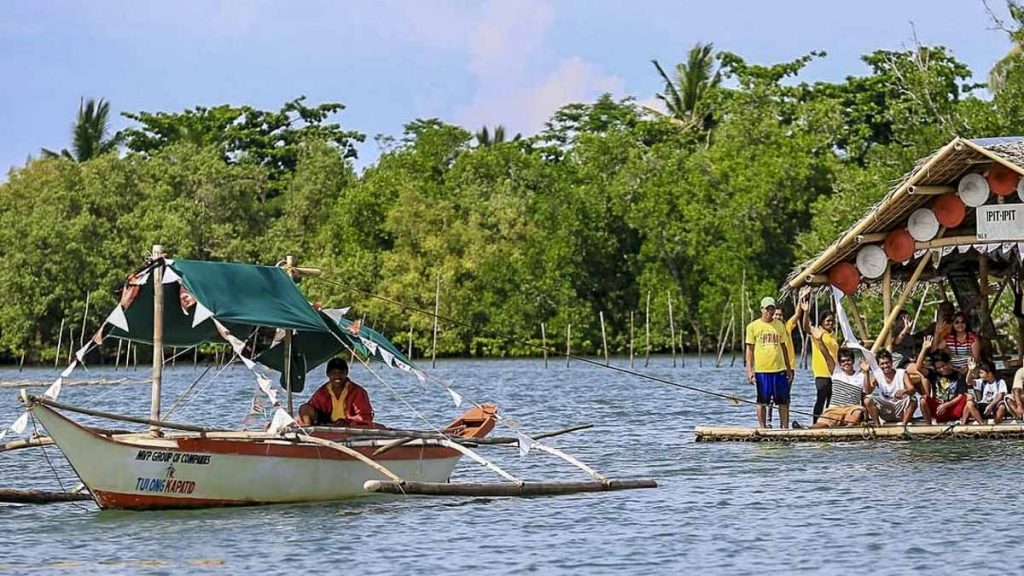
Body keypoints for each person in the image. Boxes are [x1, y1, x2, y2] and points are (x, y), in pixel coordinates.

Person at [745, 296, 794, 429]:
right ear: (762, 309)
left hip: (779, 369)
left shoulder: (779, 325)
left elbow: (784, 347)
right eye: (767, 309)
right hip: (762, 370)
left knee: (783, 401)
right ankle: (763, 427)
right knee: (762, 400)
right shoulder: (752, 327)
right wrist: (749, 369)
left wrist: (788, 368)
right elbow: (749, 349)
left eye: (772, 308)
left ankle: (784, 427)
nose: (770, 312)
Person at [807, 331, 866, 428]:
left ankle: (847, 429)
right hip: (834, 409)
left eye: (848, 360)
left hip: (851, 409)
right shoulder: (836, 372)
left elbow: (868, 390)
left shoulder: (861, 375)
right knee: (821, 423)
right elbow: (827, 356)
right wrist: (820, 341)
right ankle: (808, 429)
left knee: (857, 413)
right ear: (840, 363)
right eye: (843, 361)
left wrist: (867, 372)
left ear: (853, 361)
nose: (846, 363)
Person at [296, 358, 375, 427]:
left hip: (349, 426)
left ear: (346, 373)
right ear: (328, 374)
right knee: (304, 408)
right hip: (327, 424)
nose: (337, 376)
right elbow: (311, 408)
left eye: (341, 373)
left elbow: (365, 416)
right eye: (333, 373)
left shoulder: (358, 391)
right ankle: (308, 437)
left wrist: (347, 421)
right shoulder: (322, 392)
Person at [911, 349, 977, 425]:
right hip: (938, 410)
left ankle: (963, 424)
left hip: (954, 409)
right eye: (938, 368)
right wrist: (924, 348)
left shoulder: (958, 375)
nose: (941, 369)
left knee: (967, 397)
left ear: (948, 363)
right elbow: (918, 368)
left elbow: (960, 396)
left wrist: (946, 405)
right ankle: (928, 425)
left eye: (943, 366)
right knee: (923, 400)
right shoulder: (934, 374)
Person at [803, 304, 838, 424]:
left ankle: (829, 423)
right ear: (822, 321)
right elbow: (806, 327)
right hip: (821, 372)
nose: (830, 323)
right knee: (821, 399)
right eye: (827, 321)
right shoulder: (817, 331)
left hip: (834, 372)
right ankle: (815, 423)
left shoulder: (833, 334)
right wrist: (806, 312)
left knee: (832, 401)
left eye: (832, 321)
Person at [863, 349, 917, 426]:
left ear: (892, 362)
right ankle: (877, 425)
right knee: (867, 400)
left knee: (913, 400)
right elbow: (868, 391)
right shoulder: (877, 375)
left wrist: (905, 391)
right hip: (886, 410)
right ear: (878, 365)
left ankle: (904, 426)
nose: (885, 366)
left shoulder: (902, 373)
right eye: (882, 364)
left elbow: (912, 389)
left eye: (887, 363)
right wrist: (866, 372)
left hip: (900, 409)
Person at [967, 358, 1008, 424]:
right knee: (969, 403)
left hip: (994, 405)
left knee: (1002, 407)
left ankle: (995, 424)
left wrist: (991, 405)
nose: (980, 375)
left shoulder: (1000, 382)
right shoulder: (982, 382)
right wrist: (970, 370)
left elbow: (1000, 396)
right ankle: (982, 424)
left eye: (981, 373)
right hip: (983, 405)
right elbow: (969, 381)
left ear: (990, 373)